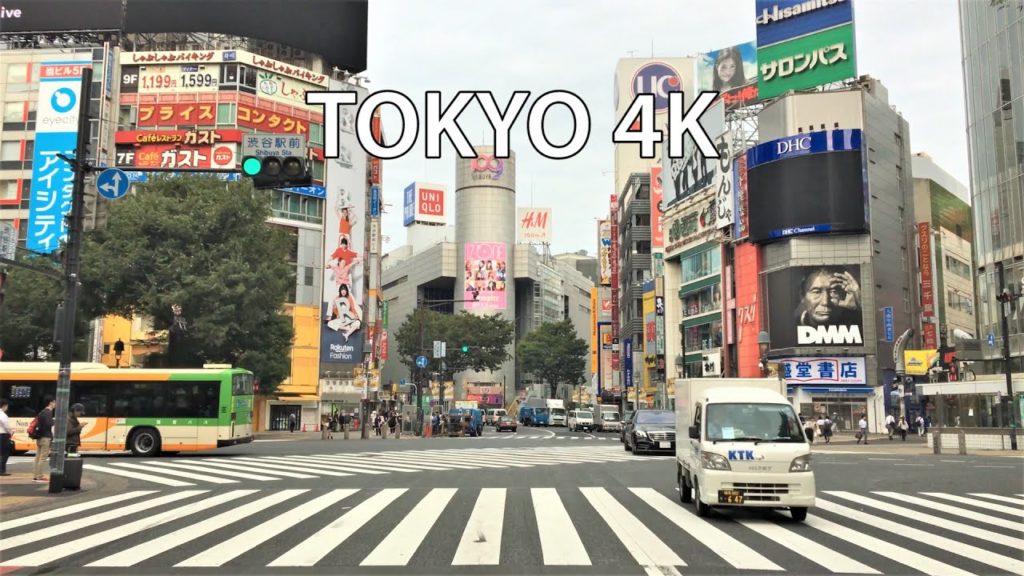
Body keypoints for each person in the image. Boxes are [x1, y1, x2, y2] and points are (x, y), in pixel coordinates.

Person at [795, 268, 862, 329]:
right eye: (817, 292)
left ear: (843, 294)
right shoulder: (790, 329)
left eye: (833, 291)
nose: (825, 302)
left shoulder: (857, 323)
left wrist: (860, 305)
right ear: (802, 295)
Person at [33, 397, 56, 483]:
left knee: (38, 457)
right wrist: (54, 421)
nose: (55, 404)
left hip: (39, 437)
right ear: (51, 403)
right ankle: (39, 476)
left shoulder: (42, 412)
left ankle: (35, 475)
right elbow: (49, 424)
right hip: (46, 437)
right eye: (54, 402)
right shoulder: (48, 412)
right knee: (43, 457)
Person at [0, 398, 11, 476]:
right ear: (4, 406)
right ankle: (2, 470)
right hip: (3, 435)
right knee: (5, 453)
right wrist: (11, 432)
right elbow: (6, 426)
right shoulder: (3, 415)